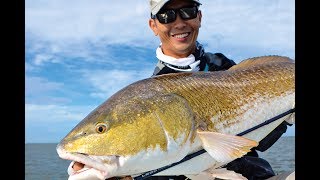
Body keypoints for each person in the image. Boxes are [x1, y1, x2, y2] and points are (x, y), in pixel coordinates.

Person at [110, 0, 292, 179]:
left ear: (199, 17)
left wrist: (287, 116)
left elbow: (259, 142)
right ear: (153, 25)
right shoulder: (149, 96)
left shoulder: (223, 66)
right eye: (167, 16)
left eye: (188, 11)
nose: (180, 23)